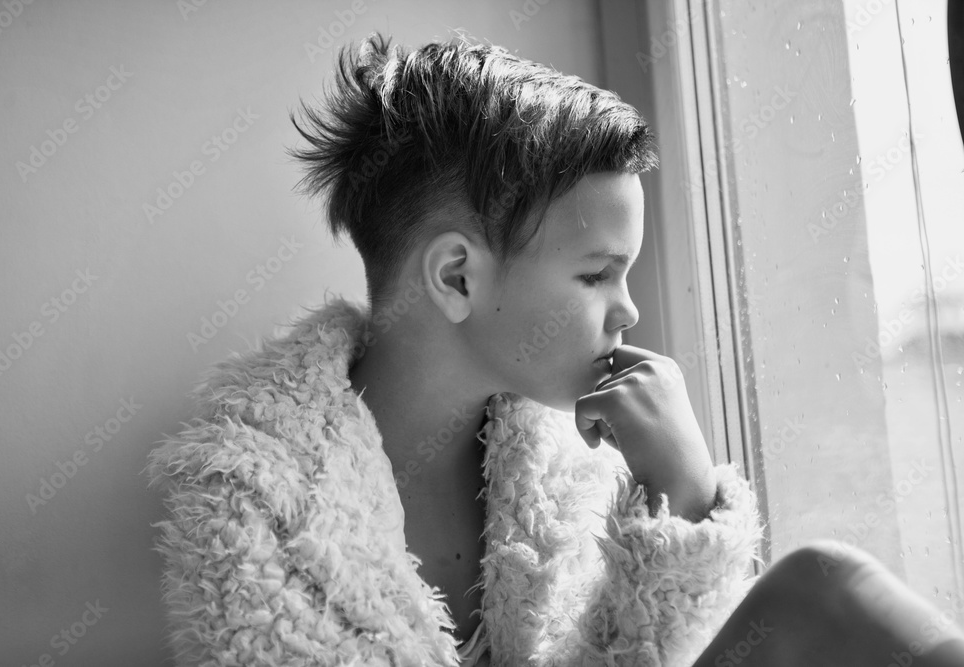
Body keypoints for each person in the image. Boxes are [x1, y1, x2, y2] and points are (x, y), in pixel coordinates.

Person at [145, 33, 964, 666]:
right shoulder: (251, 496)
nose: (630, 311)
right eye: (598, 275)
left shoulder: (574, 469)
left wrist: (681, 495)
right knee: (824, 583)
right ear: (458, 277)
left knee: (826, 585)